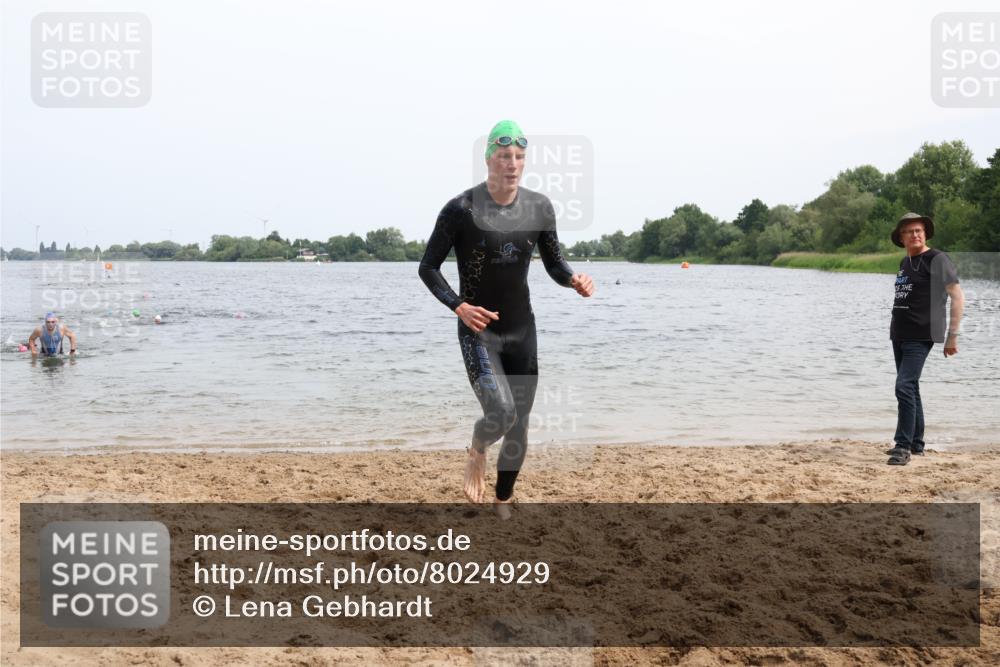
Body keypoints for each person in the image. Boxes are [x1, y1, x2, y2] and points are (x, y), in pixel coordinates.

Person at [418, 120, 595, 517]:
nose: (511, 164)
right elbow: (428, 267)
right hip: (478, 330)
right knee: (500, 413)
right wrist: (458, 306)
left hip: (521, 330)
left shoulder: (539, 207)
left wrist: (573, 280)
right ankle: (478, 446)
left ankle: (502, 498)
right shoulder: (460, 209)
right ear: (488, 161)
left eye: (518, 157)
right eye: (503, 156)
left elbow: (554, 263)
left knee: (520, 423)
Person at [886, 212, 964, 466]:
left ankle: (902, 445)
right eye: (909, 231)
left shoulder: (937, 259)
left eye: (919, 230)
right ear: (901, 237)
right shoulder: (905, 261)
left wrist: (953, 335)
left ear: (925, 233)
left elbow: (957, 296)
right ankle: (917, 444)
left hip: (922, 333)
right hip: (900, 333)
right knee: (912, 387)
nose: (915, 234)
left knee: (903, 386)